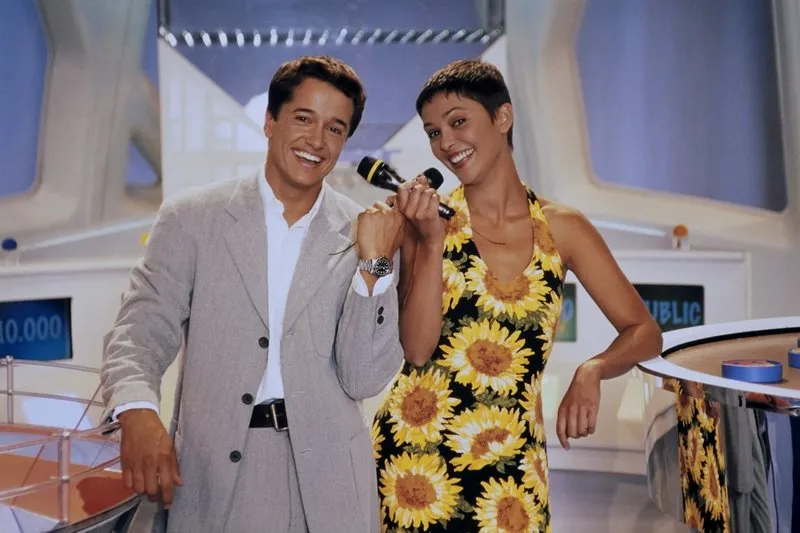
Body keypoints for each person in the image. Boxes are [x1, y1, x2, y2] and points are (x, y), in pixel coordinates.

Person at [101, 55, 405, 533]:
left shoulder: (367, 234)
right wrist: (137, 409)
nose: (316, 141)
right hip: (214, 474)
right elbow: (140, 328)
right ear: (269, 121)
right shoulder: (191, 218)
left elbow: (364, 376)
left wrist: (374, 265)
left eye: (335, 128)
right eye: (303, 118)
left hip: (329, 483)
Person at [371, 59, 663, 532]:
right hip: (413, 465)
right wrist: (426, 241)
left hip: (513, 477)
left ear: (502, 118)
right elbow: (417, 348)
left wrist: (594, 369)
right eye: (433, 132)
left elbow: (645, 331)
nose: (446, 143)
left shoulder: (563, 227)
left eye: (458, 121)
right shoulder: (426, 223)